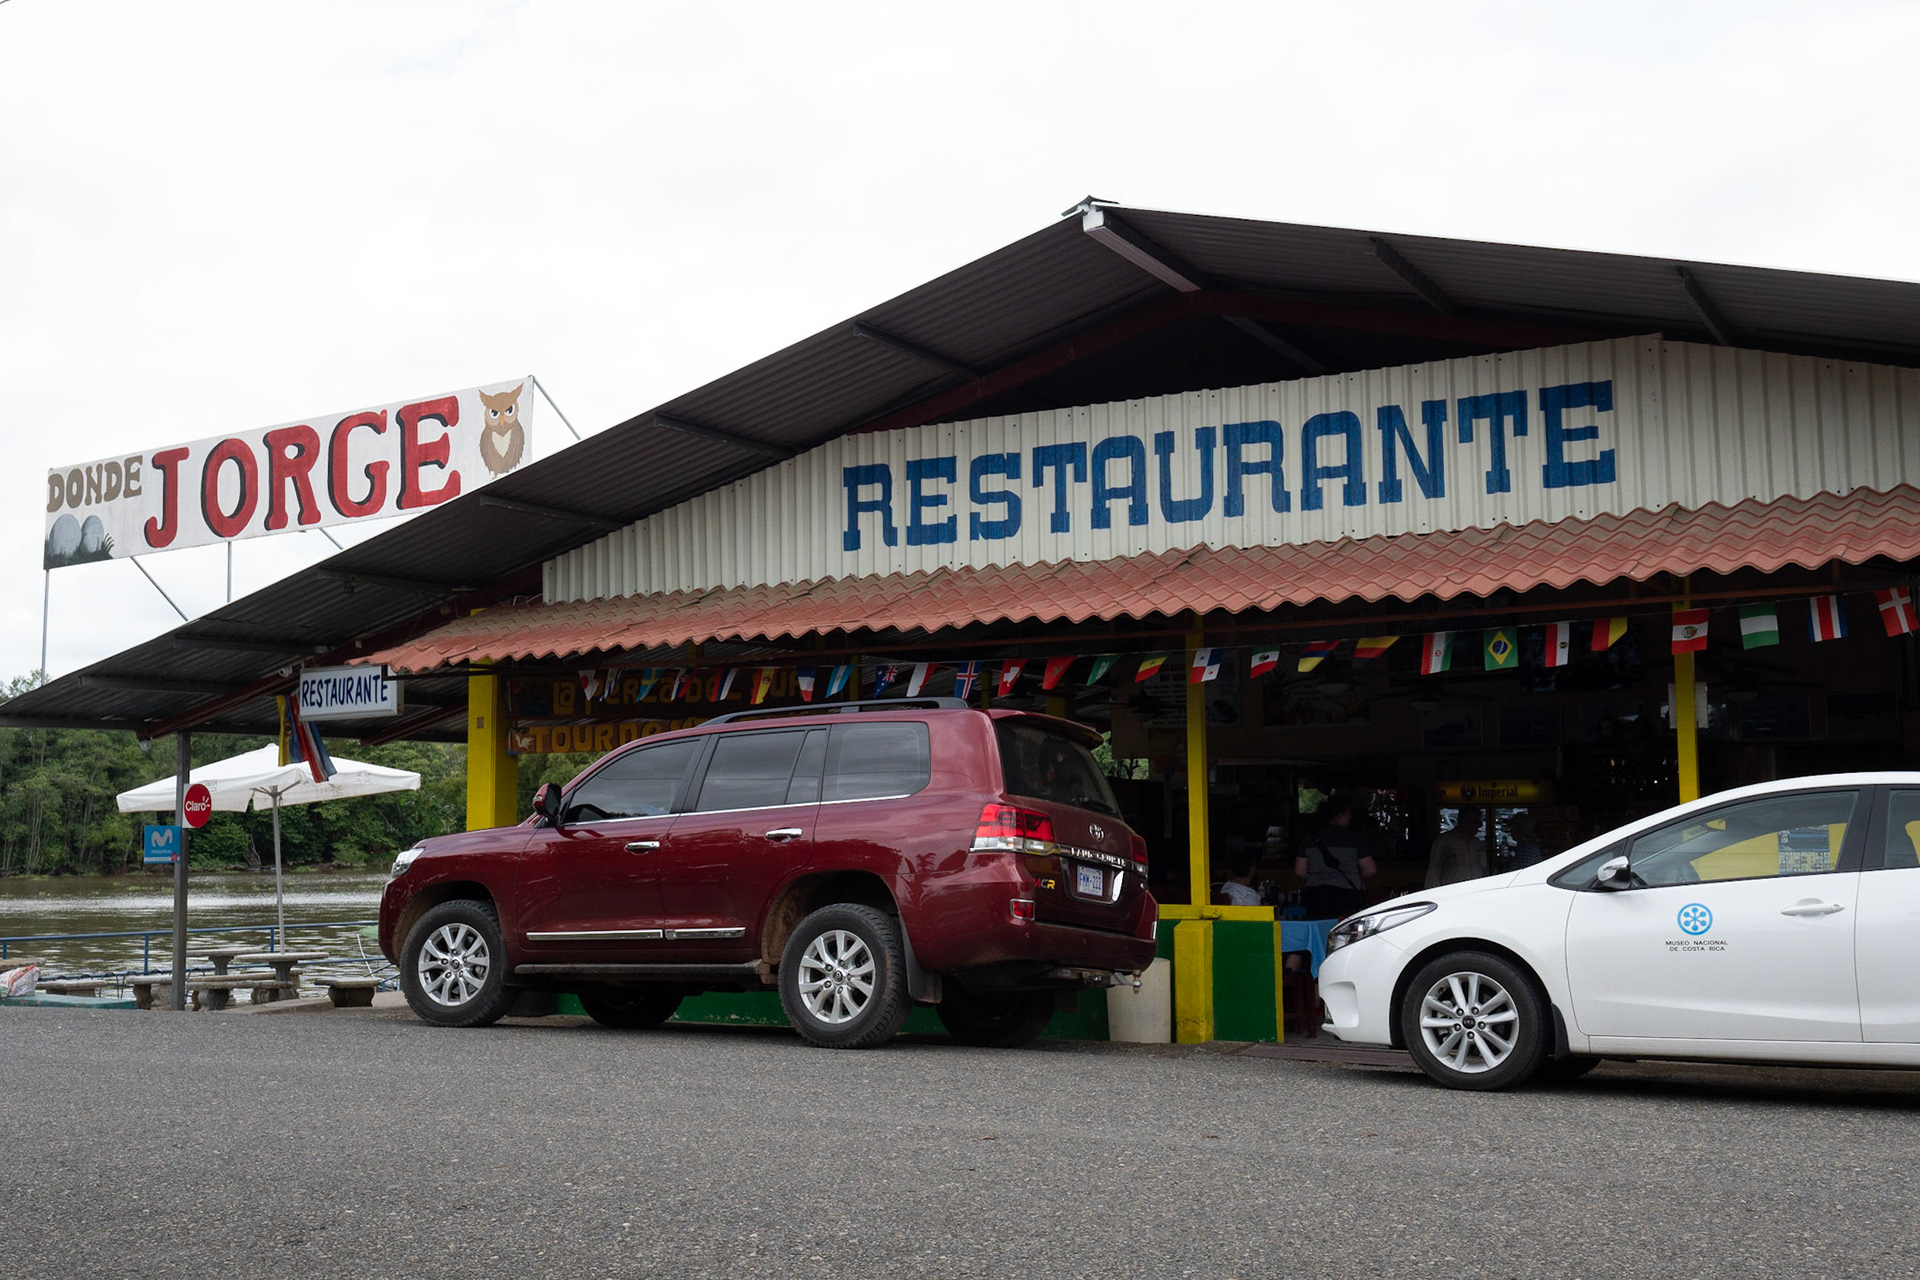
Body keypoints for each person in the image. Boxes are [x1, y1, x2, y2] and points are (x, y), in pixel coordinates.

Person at [1293, 796, 1375, 920]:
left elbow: (1300, 872)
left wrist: (1319, 874)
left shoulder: (1310, 838)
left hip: (1316, 895)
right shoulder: (1354, 838)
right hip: (1348, 895)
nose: (1350, 817)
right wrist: (1352, 874)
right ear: (1338, 816)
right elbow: (1370, 870)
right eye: (1348, 813)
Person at [1426, 809, 1488, 887]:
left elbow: (1484, 868)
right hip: (1452, 890)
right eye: (1474, 822)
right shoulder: (1444, 841)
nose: (1479, 826)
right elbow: (1434, 870)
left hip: (1476, 888)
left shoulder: (1477, 843)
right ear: (1463, 821)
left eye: (1479, 823)